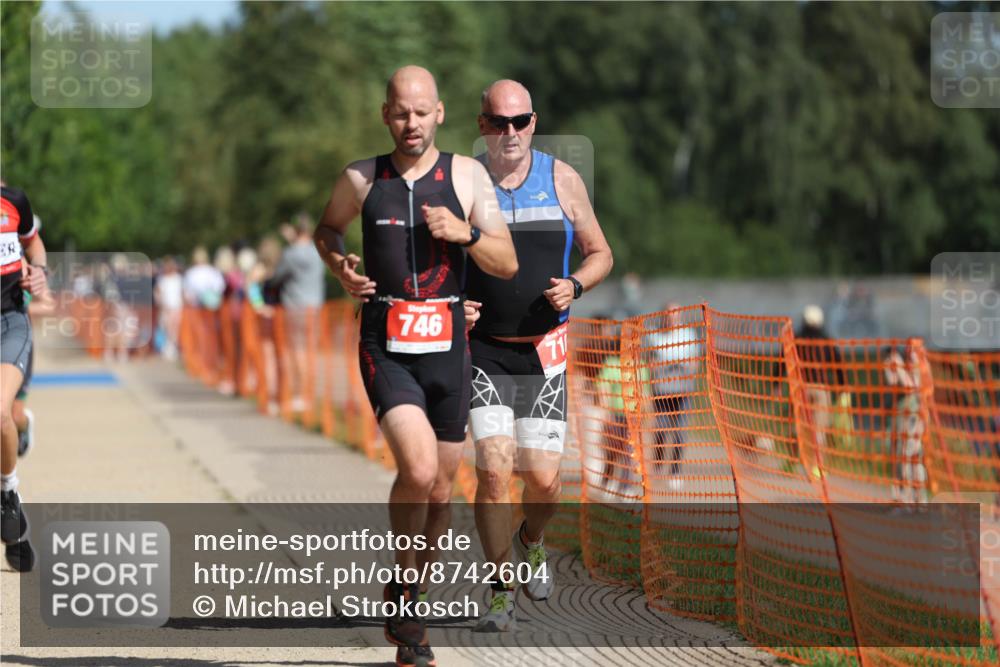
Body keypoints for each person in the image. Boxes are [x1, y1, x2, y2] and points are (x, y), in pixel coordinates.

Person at [313, 65, 516, 667]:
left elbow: (505, 261)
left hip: (449, 347)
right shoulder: (361, 177)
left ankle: (411, 606)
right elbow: (327, 229)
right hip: (386, 343)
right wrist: (340, 266)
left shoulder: (467, 176)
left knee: (441, 493)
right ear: (385, 114)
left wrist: (465, 233)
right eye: (401, 112)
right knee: (420, 468)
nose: (411, 123)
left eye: (422, 112)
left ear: (440, 113)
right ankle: (405, 591)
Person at [464, 80, 613, 632]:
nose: (511, 132)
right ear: (482, 124)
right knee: (494, 472)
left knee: (545, 482)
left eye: (520, 121)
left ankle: (532, 538)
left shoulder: (562, 178)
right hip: (484, 353)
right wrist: (454, 303)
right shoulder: (463, 182)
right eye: (499, 121)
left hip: (545, 354)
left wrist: (576, 285)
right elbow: (436, 260)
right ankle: (501, 591)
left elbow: (601, 253)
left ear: (534, 122)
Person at [1, 184, 49, 573]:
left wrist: (40, 274)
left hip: (9, 323)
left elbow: (34, 245)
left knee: (3, 413)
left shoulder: (14, 202)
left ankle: (8, 494)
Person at [273, 215, 326, 412]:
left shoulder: (291, 253)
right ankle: (309, 394)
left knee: (298, 351)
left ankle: (301, 394)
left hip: (295, 307)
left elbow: (277, 277)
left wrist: (291, 243)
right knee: (311, 351)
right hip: (316, 307)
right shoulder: (318, 251)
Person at [647, 303, 702, 490]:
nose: (672, 316)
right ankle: (657, 466)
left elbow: (694, 364)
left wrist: (681, 367)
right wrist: (667, 366)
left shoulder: (689, 335)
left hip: (683, 392)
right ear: (664, 315)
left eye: (675, 313)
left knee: (680, 433)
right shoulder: (654, 336)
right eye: (669, 313)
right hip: (662, 392)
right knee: (661, 431)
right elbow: (651, 364)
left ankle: (675, 471)